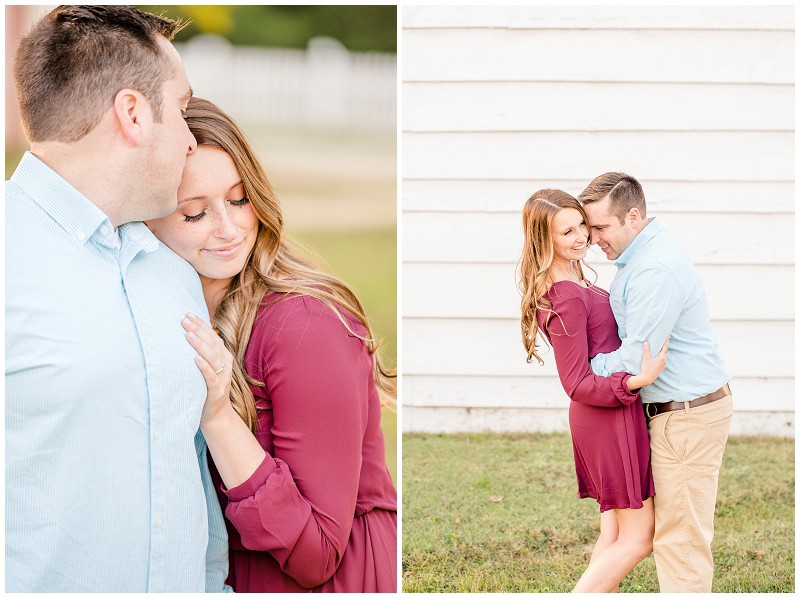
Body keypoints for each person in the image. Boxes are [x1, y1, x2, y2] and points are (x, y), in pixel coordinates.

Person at [5, 6, 230, 592]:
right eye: (180, 112)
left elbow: (190, 479)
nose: (190, 141)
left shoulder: (170, 269)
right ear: (132, 113)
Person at [146, 97, 398, 593]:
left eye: (239, 200)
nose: (229, 228)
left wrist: (219, 418)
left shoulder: (304, 326)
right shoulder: (165, 317)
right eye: (194, 213)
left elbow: (317, 554)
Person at [579, 172, 733, 593]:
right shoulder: (641, 259)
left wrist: (581, 368)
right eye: (589, 228)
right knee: (655, 535)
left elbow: (635, 358)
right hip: (670, 412)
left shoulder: (654, 270)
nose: (592, 238)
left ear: (633, 216)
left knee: (680, 543)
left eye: (601, 227)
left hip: (685, 416)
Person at [519, 189, 669, 592]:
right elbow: (575, 383)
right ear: (544, 241)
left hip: (613, 415)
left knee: (615, 536)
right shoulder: (564, 294)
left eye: (581, 225)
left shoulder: (575, 279)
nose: (582, 236)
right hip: (604, 419)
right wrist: (636, 380)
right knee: (639, 539)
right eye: (566, 232)